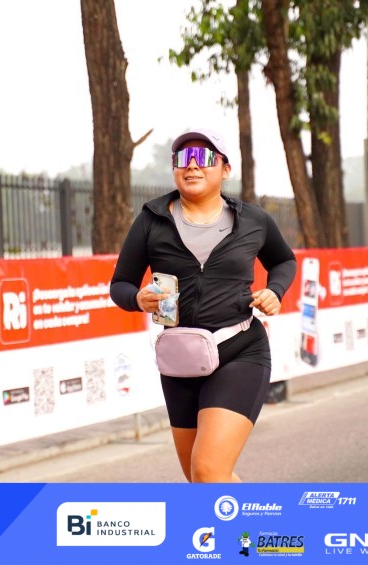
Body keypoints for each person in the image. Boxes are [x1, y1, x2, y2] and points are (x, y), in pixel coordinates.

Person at [109, 127, 296, 482]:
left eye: (204, 157)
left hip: (240, 350)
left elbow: (284, 261)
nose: (192, 165)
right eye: (183, 158)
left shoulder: (253, 220)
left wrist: (275, 291)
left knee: (208, 470)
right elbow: (120, 284)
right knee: (201, 478)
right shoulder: (151, 219)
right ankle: (255, 518)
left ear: (225, 169)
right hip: (180, 359)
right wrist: (136, 299)